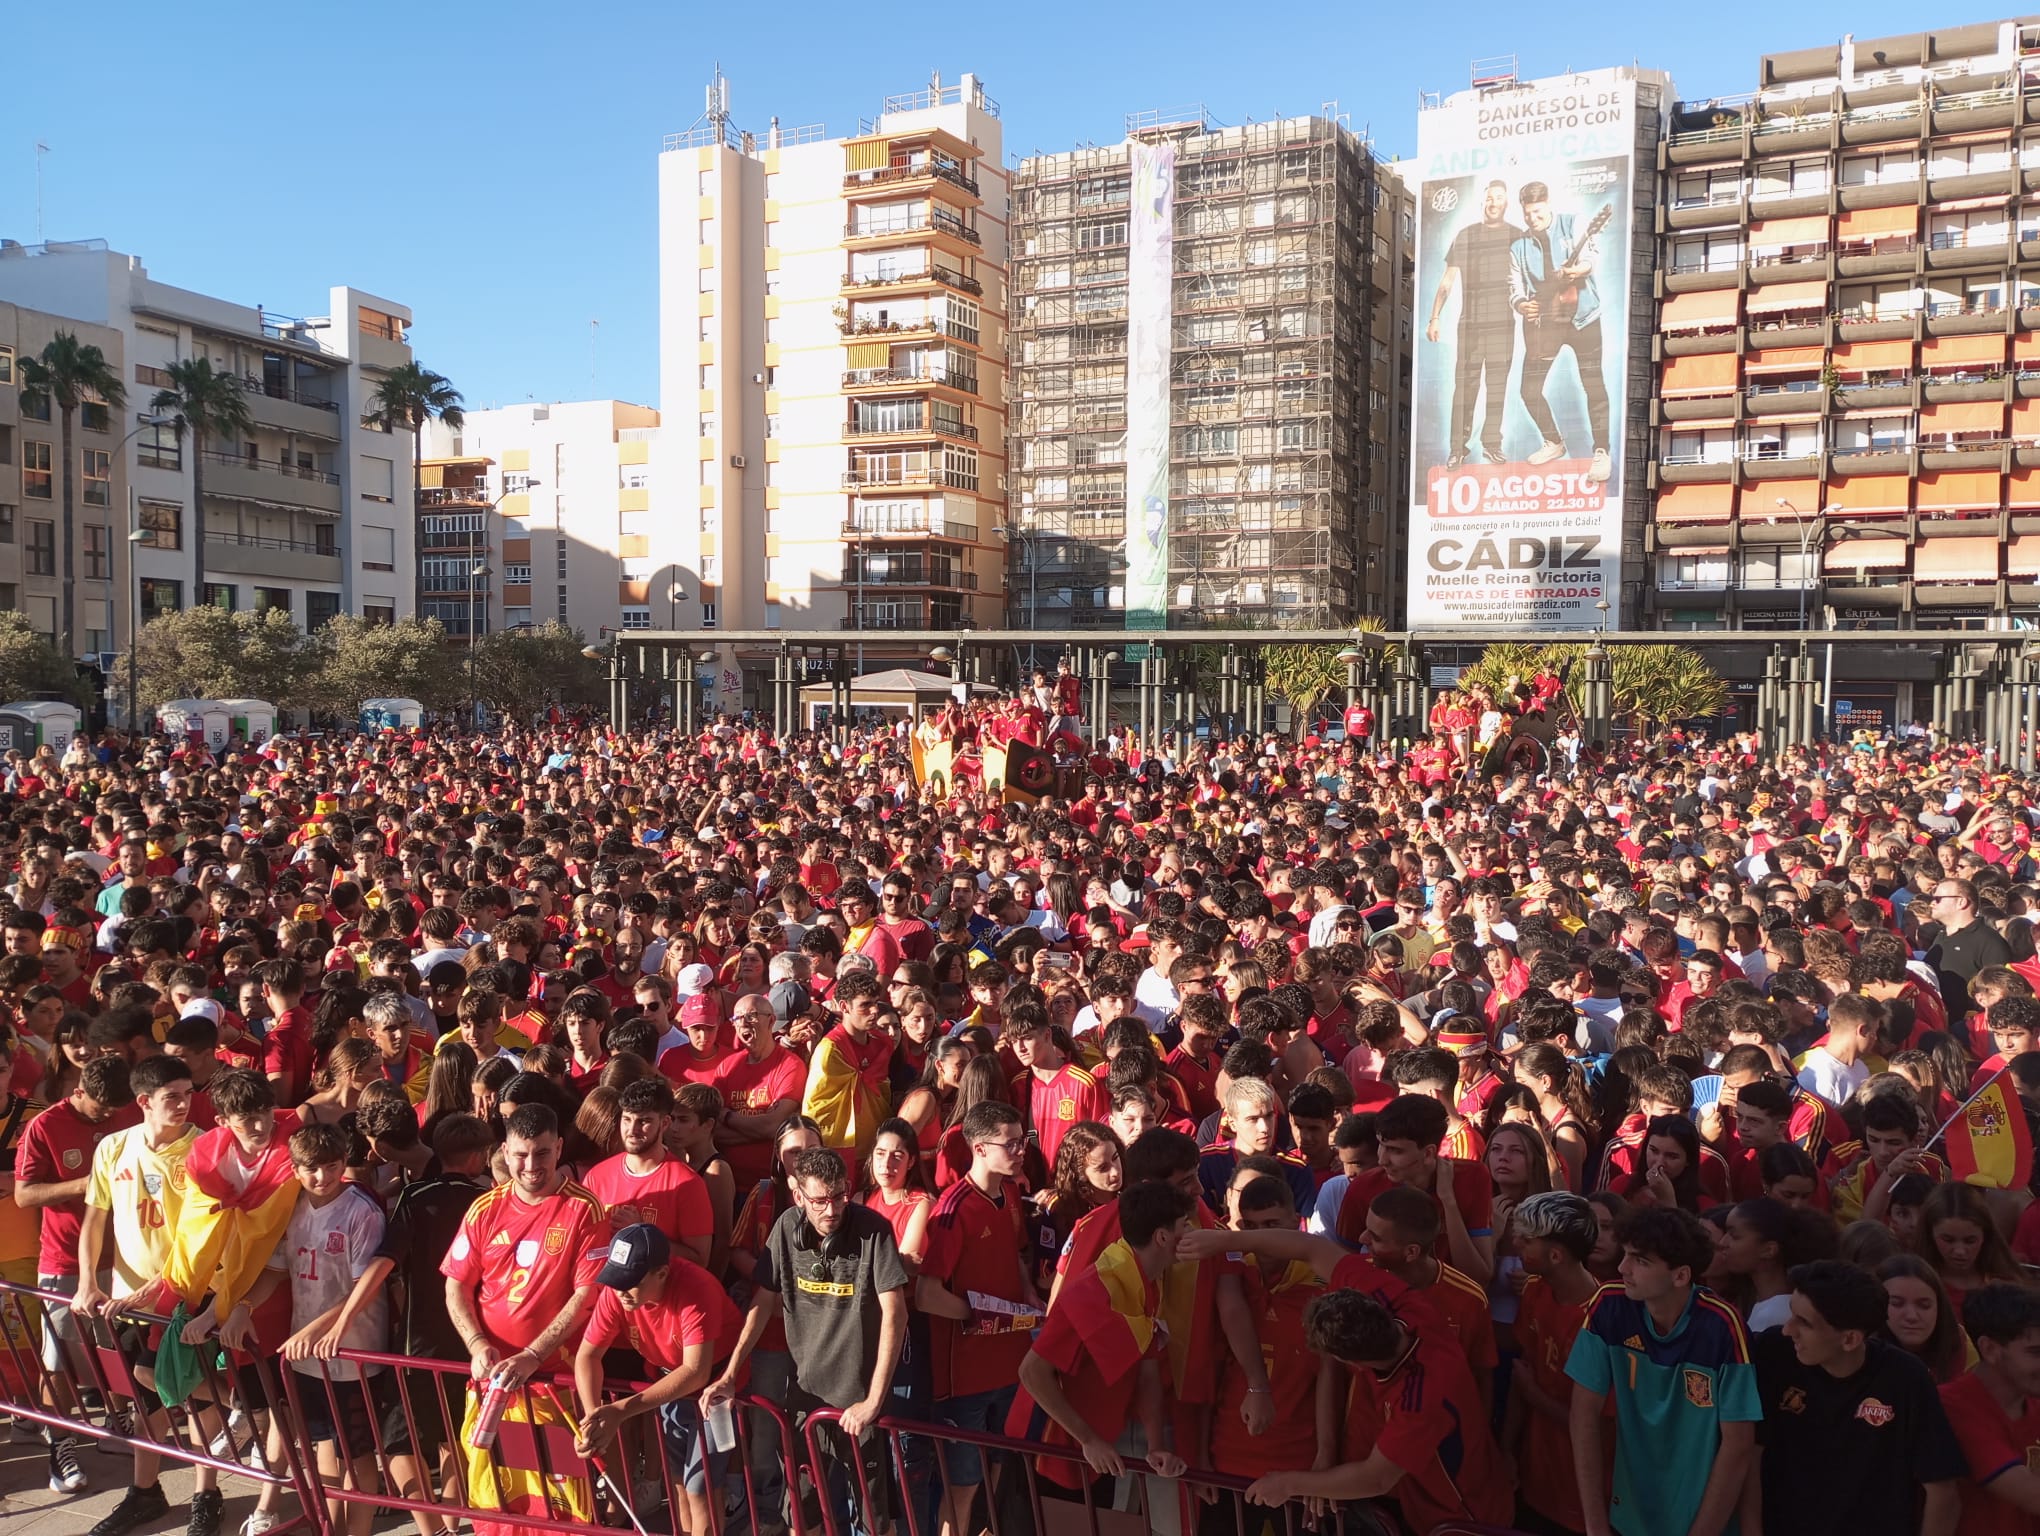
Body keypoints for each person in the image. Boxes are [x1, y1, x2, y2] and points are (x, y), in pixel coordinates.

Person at [703, 1146, 909, 1536]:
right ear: (799, 1197)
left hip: (859, 1402)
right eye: (818, 1201)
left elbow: (895, 1315)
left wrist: (873, 1401)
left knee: (873, 1521)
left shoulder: (873, 1231)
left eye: (838, 1197)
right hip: (804, 1398)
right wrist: (730, 1373)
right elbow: (762, 1303)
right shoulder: (784, 1228)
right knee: (801, 1515)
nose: (831, 1210)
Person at [440, 1103, 608, 1533]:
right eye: (520, 1154)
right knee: (496, 1501)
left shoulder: (585, 1210)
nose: (530, 1165)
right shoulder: (483, 1209)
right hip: (493, 1389)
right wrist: (477, 1345)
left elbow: (588, 1295)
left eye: (542, 1153)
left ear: (559, 1149)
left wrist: (534, 1354)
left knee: (560, 1509)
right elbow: (456, 1285)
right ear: (504, 1149)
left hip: (554, 1390)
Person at [1239, 1283, 1513, 1532]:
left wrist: (1287, 1484)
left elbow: (1376, 1478)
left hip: (1466, 1520)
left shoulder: (1417, 1403)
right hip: (1426, 1509)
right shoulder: (1418, 1315)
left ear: (1353, 1364)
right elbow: (1315, 1249)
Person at [1566, 1205, 1760, 1536]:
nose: (1622, 1267)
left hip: (1702, 1520)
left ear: (1681, 1275)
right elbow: (1583, 1415)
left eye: (1640, 1261)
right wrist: (1595, 1526)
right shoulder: (1608, 1305)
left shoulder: (1722, 1325)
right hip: (1628, 1516)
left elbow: (1738, 1445)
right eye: (1625, 1254)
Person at [1751, 1259, 1964, 1536]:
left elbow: (1943, 1491)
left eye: (1804, 1323)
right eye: (1792, 1314)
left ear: (1850, 1339)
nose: (1788, 1329)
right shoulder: (1775, 1354)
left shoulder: (1905, 1379)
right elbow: (1751, 1458)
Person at [1007, 1179, 1196, 1488]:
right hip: (1044, 1452)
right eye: (1184, 1227)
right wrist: (1088, 1439)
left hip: (1095, 1454)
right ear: (1163, 1237)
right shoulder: (1092, 1291)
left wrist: (1155, 1445)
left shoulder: (1150, 1281)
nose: (1190, 1234)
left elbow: (1147, 1372)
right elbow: (1031, 1372)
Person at [917, 1100, 1042, 1536]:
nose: (1020, 1150)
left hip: (1011, 1364)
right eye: (1011, 1143)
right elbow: (927, 1294)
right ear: (979, 1148)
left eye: (1022, 1140)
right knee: (963, 1486)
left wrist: (1024, 1292)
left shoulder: (1010, 1193)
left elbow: (1018, 1254)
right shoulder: (951, 1210)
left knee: (999, 1479)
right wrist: (980, 1314)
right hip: (965, 1378)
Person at [572, 1224, 740, 1536]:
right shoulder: (617, 1294)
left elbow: (696, 1371)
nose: (619, 1290)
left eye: (630, 1282)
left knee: (700, 1486)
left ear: (661, 1274)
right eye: (615, 1279)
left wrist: (619, 1411)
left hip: (716, 1391)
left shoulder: (696, 1287)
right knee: (678, 1479)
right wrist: (594, 1417)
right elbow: (587, 1355)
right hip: (669, 1386)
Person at [1506, 1191, 1604, 1536]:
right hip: (1535, 1475)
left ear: (1556, 1254)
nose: (1516, 1242)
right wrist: (1507, 1450)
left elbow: (1597, 1425)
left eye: (1527, 1239)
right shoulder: (1535, 1289)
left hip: (1581, 1492)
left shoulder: (1602, 1320)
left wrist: (1533, 1394)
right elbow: (1524, 1368)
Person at [1508, 180, 1611, 484]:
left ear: (1548, 204)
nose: (1532, 218)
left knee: (1593, 385)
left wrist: (1577, 271)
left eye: (1537, 212)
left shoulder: (1575, 224)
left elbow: (1592, 258)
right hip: (1546, 325)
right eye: (1527, 214)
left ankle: (1602, 450)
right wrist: (1521, 305)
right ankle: (1553, 441)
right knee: (1528, 389)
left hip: (1584, 318)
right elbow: (1514, 285)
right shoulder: (1519, 246)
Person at [1428, 177, 1520, 469]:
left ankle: (1492, 444)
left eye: (1499, 197)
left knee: (1496, 388)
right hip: (1470, 326)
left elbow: (1531, 279)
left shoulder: (1518, 237)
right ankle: (1457, 448)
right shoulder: (1465, 235)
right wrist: (1434, 317)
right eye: (1489, 197)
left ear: (1507, 203)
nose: (1493, 203)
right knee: (1464, 389)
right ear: (1483, 201)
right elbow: (1447, 281)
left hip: (1503, 325)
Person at [580, 1076, 713, 1268]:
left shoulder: (688, 1184)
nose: (632, 1130)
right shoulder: (597, 1177)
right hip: (604, 1293)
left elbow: (699, 1260)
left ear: (665, 1123)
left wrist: (641, 1233)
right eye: (627, 1119)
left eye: (644, 1121)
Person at [1939, 1283, 2040, 1536]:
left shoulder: (2033, 1399)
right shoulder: (1953, 1406)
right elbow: (2031, 1495)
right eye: (2035, 1352)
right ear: (1989, 1349)